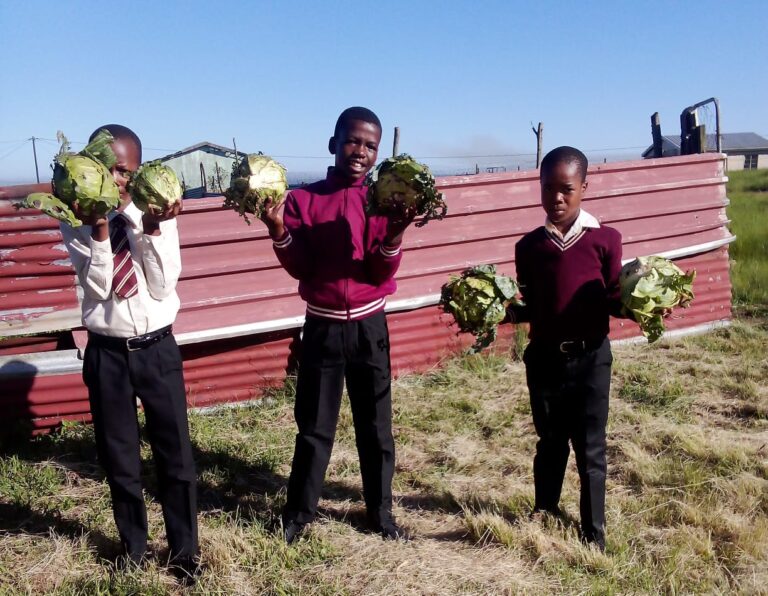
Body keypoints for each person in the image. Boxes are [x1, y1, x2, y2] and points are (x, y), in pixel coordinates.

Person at [260, 107, 414, 544]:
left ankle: (380, 513)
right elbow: (300, 266)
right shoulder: (303, 201)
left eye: (370, 145)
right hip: (322, 328)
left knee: (376, 427)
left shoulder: (383, 201)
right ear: (333, 143)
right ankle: (299, 514)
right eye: (352, 141)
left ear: (378, 152)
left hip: (370, 327)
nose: (360, 152)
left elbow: (380, 273)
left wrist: (395, 236)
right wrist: (276, 229)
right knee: (313, 426)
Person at [59, 124, 199, 578]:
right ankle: (134, 548)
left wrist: (153, 227)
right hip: (108, 355)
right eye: (115, 169)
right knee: (120, 457)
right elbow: (98, 288)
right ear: (97, 165)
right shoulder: (75, 216)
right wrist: (99, 229)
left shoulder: (154, 208)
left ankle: (184, 552)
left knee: (175, 455)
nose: (122, 181)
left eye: (130, 172)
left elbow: (163, 284)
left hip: (158, 349)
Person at [509, 146, 624, 551]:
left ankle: (594, 531)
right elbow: (529, 305)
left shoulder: (605, 241)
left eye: (566, 189)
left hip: (592, 358)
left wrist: (646, 301)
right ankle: (545, 508)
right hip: (544, 359)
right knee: (550, 440)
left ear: (584, 189)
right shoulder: (529, 248)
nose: (556, 198)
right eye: (547, 188)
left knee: (591, 445)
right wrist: (493, 309)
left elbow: (613, 297)